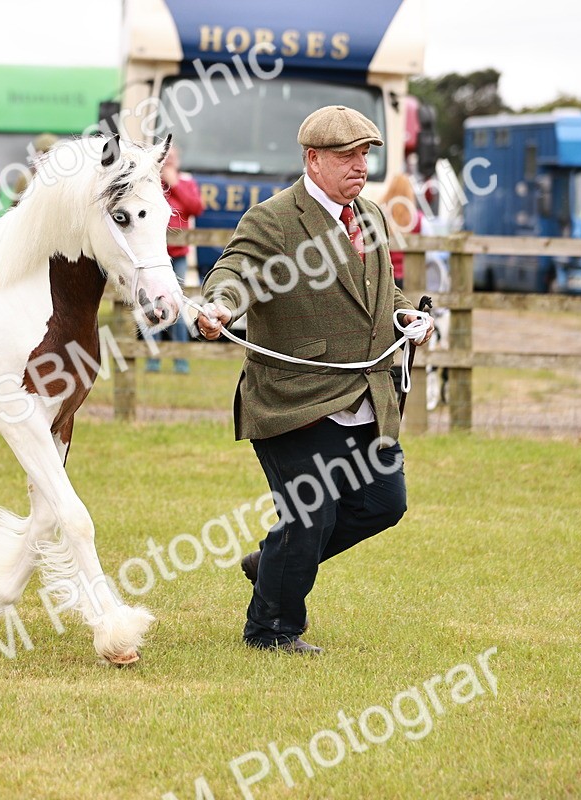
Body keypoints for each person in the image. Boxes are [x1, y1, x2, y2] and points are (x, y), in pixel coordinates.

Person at [193, 105, 434, 655]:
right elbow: (233, 271)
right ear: (313, 159)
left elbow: (381, 288)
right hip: (293, 399)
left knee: (384, 504)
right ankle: (271, 630)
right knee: (311, 512)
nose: (360, 165)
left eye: (365, 154)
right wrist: (221, 305)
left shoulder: (370, 216)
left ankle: (273, 562)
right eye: (346, 155)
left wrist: (404, 314)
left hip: (366, 396)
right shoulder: (273, 219)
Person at [146, 145, 204, 374]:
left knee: (176, 306)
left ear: (178, 161)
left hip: (178, 256)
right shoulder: (151, 184)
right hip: (154, 257)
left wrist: (175, 184)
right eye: (165, 158)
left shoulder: (186, 183)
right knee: (152, 308)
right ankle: (153, 359)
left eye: (172, 158)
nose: (168, 161)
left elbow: (195, 207)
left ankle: (181, 360)